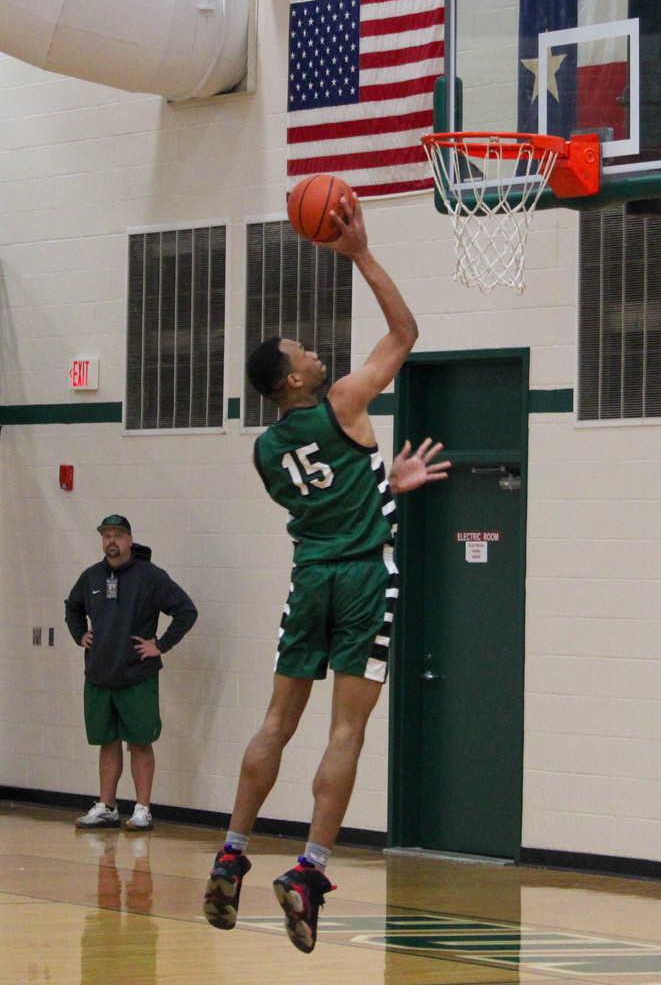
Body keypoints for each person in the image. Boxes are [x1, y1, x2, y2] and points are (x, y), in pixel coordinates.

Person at [203, 189, 450, 953]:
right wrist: (359, 252)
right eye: (302, 350)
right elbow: (406, 332)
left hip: (308, 578)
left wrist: (382, 486)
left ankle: (233, 852)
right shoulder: (343, 399)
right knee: (347, 727)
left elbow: (325, 496)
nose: (314, 350)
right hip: (363, 579)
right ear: (296, 382)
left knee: (277, 720)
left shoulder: (266, 449)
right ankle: (308, 873)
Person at [65, 514, 198, 832]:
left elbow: (186, 610)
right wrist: (79, 634)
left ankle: (142, 809)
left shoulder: (150, 576)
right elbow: (72, 606)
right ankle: (107, 807)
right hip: (99, 674)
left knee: (139, 742)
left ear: (129, 539)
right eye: (106, 535)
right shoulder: (91, 577)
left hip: (137, 675)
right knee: (107, 741)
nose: (111, 540)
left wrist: (160, 645)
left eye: (118, 535)